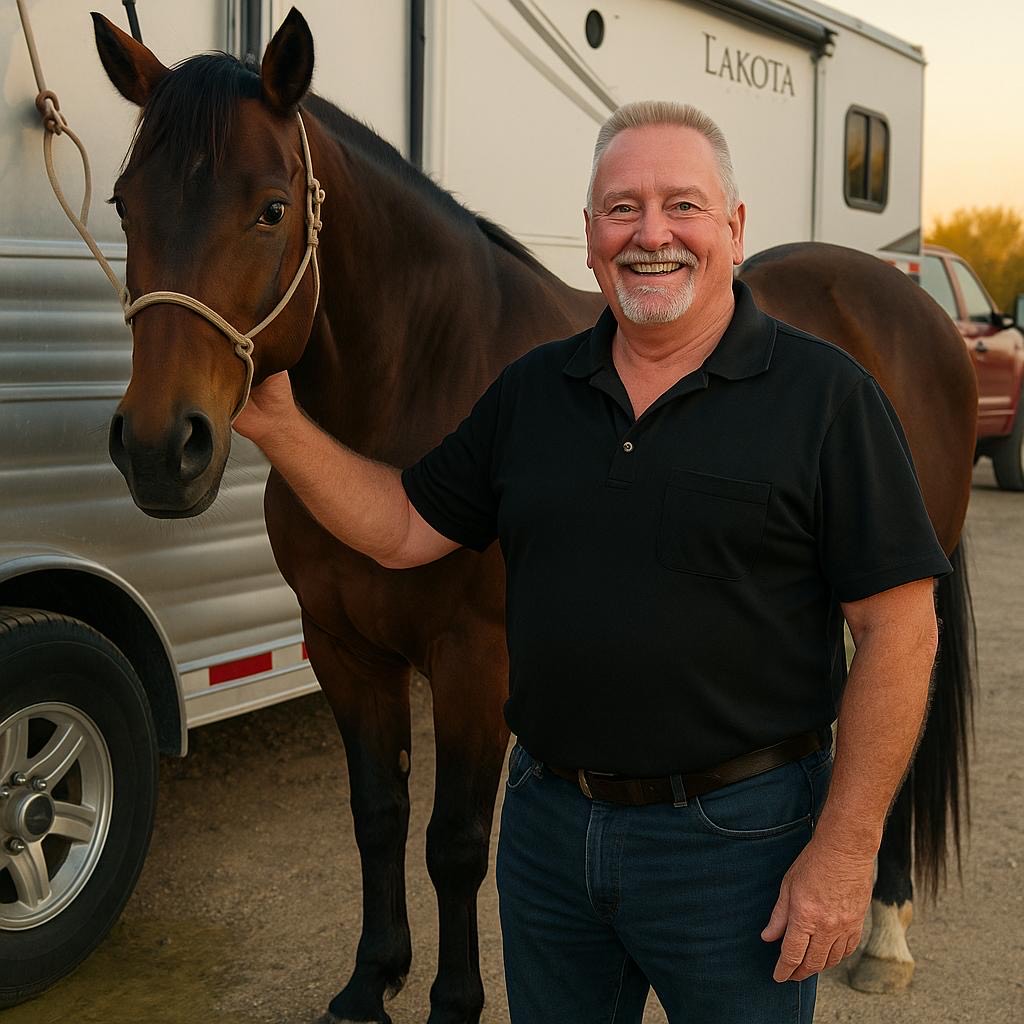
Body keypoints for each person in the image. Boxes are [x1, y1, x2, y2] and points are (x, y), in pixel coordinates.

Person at [233, 102, 950, 1023]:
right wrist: (281, 427)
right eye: (622, 209)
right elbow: (403, 527)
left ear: (734, 228)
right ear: (588, 238)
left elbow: (899, 626)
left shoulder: (826, 399)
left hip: (738, 847)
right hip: (550, 836)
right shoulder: (533, 390)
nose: (651, 234)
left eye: (682, 205)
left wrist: (848, 852)